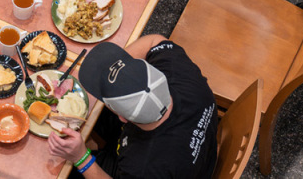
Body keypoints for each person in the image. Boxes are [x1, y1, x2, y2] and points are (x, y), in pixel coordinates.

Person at [48, 37, 218, 179]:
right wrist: (123, 70)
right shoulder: (182, 76)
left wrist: (81, 158)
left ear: (123, 118)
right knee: (88, 110)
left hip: (158, 167)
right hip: (191, 148)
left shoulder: (142, 167)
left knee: (61, 170)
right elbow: (154, 41)